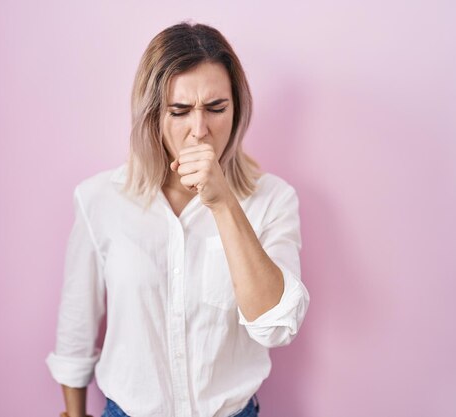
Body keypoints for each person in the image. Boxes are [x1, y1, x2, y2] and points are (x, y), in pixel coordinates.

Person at [46, 21, 310, 417]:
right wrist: (73, 412)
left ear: (237, 110)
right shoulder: (99, 200)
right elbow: (76, 326)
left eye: (216, 108)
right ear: (153, 115)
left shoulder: (273, 200)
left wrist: (224, 204)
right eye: (180, 111)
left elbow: (276, 326)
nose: (199, 131)